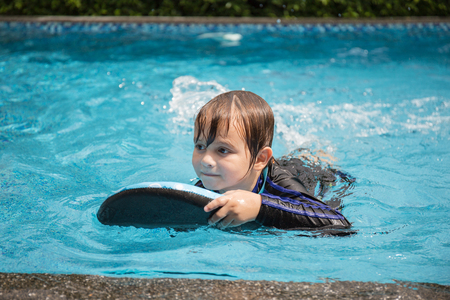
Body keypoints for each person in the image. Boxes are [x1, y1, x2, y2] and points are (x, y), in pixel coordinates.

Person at [192, 91, 351, 230]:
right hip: (269, 164)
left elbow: (339, 222)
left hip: (312, 172)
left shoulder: (279, 186)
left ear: (259, 159)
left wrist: (259, 208)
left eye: (222, 150)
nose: (206, 160)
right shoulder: (204, 185)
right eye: (200, 146)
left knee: (317, 163)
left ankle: (316, 153)